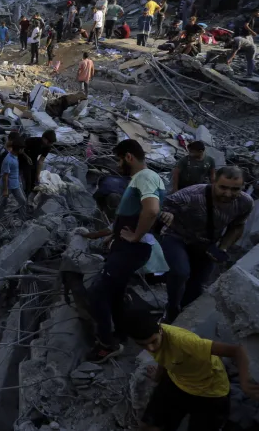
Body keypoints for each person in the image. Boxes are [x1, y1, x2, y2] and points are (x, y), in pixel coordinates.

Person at [87, 139, 165, 363]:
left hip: (130, 249)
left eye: (119, 159)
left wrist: (135, 236)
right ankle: (121, 333)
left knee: (98, 293)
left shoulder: (145, 177)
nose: (118, 164)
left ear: (129, 157)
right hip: (127, 247)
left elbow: (151, 210)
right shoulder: (142, 178)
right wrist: (116, 232)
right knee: (116, 292)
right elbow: (138, 211)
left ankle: (107, 344)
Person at [127, 309, 259, 431]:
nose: (150, 348)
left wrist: (245, 382)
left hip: (209, 391)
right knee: (148, 425)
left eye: (153, 342)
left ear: (160, 329)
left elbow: (237, 350)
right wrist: (157, 376)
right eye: (143, 345)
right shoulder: (152, 341)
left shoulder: (185, 342)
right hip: (178, 380)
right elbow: (164, 357)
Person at [158, 166, 253, 322]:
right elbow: (160, 204)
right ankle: (172, 309)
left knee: (197, 286)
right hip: (177, 237)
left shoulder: (244, 203)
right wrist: (166, 213)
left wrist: (222, 247)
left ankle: (183, 318)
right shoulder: (192, 194)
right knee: (181, 272)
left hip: (206, 244)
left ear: (242, 187)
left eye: (235, 189)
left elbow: (237, 226)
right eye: (223, 187)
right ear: (214, 181)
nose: (228, 194)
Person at [0, 133, 28, 220]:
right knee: (2, 203)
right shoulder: (8, 160)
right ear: (19, 149)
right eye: (22, 149)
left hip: (15, 184)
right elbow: (5, 176)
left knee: (23, 201)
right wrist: (6, 190)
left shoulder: (15, 156)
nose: (23, 151)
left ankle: (23, 218)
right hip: (7, 185)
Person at [19, 130, 56, 196]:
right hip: (22, 157)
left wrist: (38, 175)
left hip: (33, 159)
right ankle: (26, 195)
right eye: (49, 142)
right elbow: (19, 149)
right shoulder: (31, 141)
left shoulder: (48, 146)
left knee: (34, 177)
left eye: (51, 143)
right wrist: (27, 157)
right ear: (44, 138)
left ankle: (32, 191)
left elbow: (41, 161)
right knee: (28, 178)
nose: (50, 144)